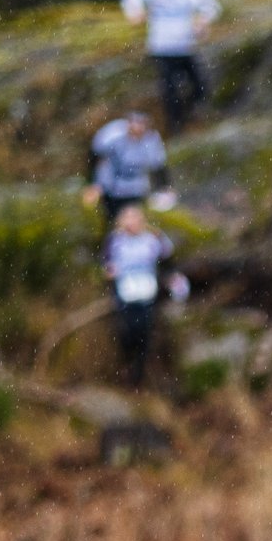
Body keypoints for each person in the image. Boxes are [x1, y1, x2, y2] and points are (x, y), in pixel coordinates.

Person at [120, 0, 220, 133]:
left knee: (201, 84)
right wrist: (135, 12)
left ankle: (192, 112)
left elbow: (213, 6)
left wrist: (203, 20)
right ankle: (175, 124)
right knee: (169, 89)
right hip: (162, 48)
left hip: (186, 47)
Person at [103, 203, 182, 389]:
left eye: (135, 219)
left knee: (144, 334)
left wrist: (171, 280)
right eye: (128, 219)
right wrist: (110, 271)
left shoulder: (151, 239)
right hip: (125, 292)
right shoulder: (115, 240)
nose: (132, 223)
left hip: (146, 292)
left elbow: (168, 256)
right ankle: (126, 367)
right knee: (126, 333)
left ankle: (137, 376)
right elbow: (107, 263)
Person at [84, 112, 168, 230]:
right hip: (113, 186)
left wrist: (163, 187)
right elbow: (96, 157)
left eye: (141, 125)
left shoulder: (151, 140)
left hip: (136, 188)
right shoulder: (112, 134)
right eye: (134, 124)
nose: (137, 129)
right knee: (112, 222)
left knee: (134, 220)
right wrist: (93, 184)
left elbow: (158, 165)